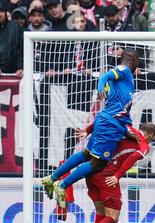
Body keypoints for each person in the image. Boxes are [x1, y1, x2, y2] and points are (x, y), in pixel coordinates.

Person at [41, 48, 140, 209]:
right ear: (134, 62)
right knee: (97, 164)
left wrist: (125, 131)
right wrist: (100, 88)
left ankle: (51, 178)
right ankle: (63, 185)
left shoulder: (122, 81)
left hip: (107, 122)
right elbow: (105, 76)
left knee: (86, 154)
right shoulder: (125, 70)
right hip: (110, 125)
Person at [78, 122, 155, 223]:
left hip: (92, 169)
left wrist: (87, 131)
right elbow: (132, 158)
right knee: (113, 217)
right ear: (150, 135)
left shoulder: (127, 128)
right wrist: (117, 175)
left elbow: (105, 118)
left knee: (101, 212)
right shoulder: (144, 144)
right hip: (108, 175)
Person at [0, 2, 23, 78]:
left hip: (14, 74)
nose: (0, 14)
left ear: (6, 13)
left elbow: (20, 50)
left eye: (1, 11)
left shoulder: (15, 27)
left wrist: (20, 67)